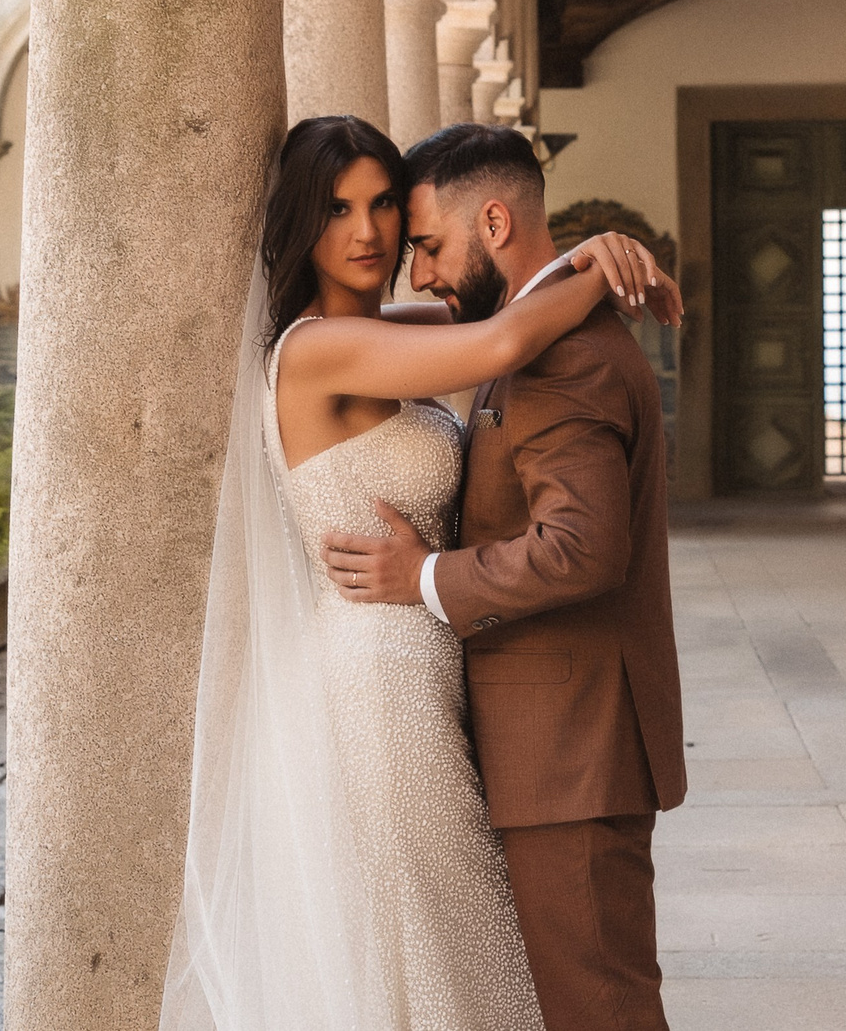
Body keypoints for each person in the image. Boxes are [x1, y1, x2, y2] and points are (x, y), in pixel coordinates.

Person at [161, 115, 680, 1031]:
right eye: (337, 209)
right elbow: (495, 343)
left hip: (434, 670)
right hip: (378, 682)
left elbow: (480, 316)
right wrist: (595, 265)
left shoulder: (384, 330)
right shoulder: (317, 348)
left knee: (454, 945)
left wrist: (574, 258)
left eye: (387, 207)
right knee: (426, 947)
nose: (371, 234)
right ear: (300, 223)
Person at [323, 123, 687, 1031]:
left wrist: (427, 577)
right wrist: (594, 265)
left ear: (492, 221)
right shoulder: (525, 329)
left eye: (430, 245)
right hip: (555, 743)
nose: (421, 274)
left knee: (597, 1010)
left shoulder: (559, 354)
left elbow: (583, 546)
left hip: (571, 749)